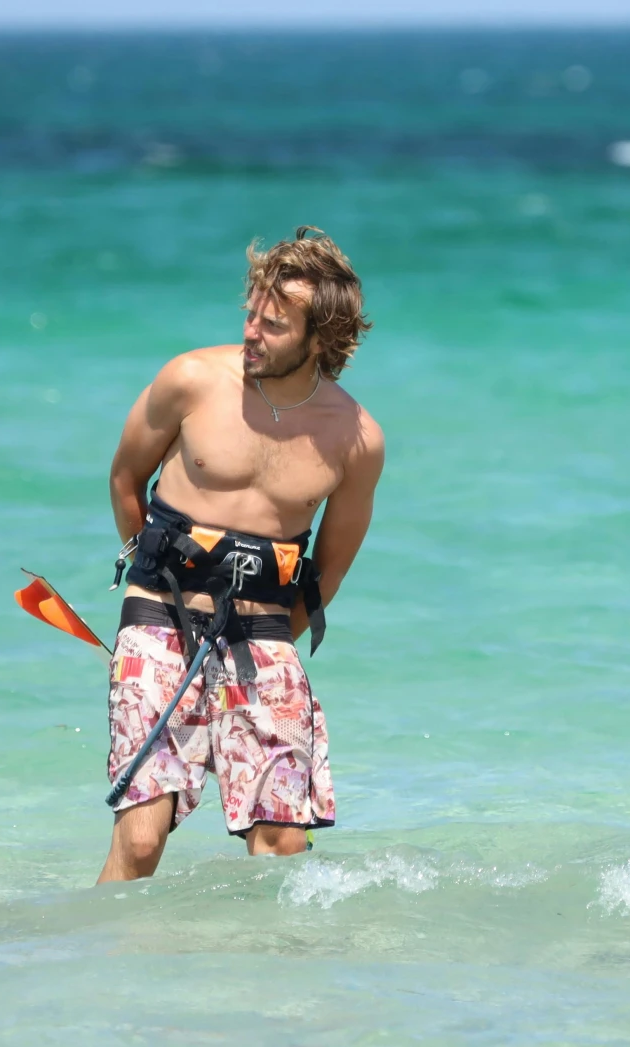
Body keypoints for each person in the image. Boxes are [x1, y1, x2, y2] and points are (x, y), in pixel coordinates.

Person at [97, 227, 386, 882]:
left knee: (281, 846)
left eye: (274, 324)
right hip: (158, 620)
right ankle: (97, 971)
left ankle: (270, 980)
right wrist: (149, 583)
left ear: (321, 339)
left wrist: (268, 642)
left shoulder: (356, 438)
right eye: (250, 313)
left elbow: (329, 567)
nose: (253, 331)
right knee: (141, 840)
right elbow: (124, 479)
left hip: (261, 638)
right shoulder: (191, 379)